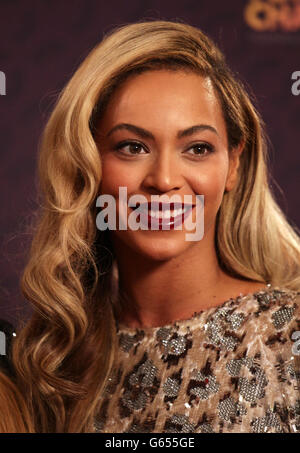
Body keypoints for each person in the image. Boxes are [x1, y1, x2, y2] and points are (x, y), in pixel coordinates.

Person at [0, 19, 299, 433]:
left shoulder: (288, 336)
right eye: (132, 147)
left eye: (197, 148)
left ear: (233, 165)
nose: (163, 179)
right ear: (86, 163)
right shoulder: (54, 363)